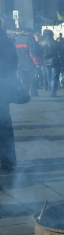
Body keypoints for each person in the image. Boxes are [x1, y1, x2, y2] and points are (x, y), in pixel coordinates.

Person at [0, 21, 19, 171]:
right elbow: (14, 62)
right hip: (3, 89)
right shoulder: (5, 40)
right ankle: (8, 160)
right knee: (4, 126)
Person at [14, 28, 40, 97]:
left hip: (21, 62)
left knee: (24, 79)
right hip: (30, 62)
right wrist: (37, 63)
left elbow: (16, 51)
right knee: (33, 79)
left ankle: (25, 93)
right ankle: (34, 93)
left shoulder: (18, 39)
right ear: (29, 32)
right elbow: (32, 52)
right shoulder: (30, 39)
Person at [38, 29, 63, 97]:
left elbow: (38, 53)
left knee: (48, 77)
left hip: (45, 62)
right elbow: (61, 54)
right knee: (54, 77)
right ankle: (53, 92)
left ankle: (51, 89)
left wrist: (40, 63)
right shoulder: (56, 43)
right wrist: (62, 63)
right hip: (55, 61)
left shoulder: (40, 43)